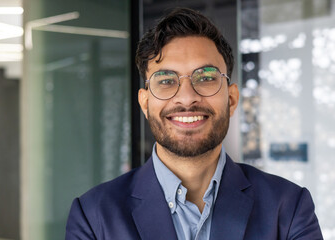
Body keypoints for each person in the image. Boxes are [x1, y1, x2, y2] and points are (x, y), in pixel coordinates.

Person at [65, 8, 323, 240]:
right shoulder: (93, 216)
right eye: (166, 80)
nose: (187, 98)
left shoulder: (288, 208)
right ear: (144, 104)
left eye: (206, 77)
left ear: (232, 99)